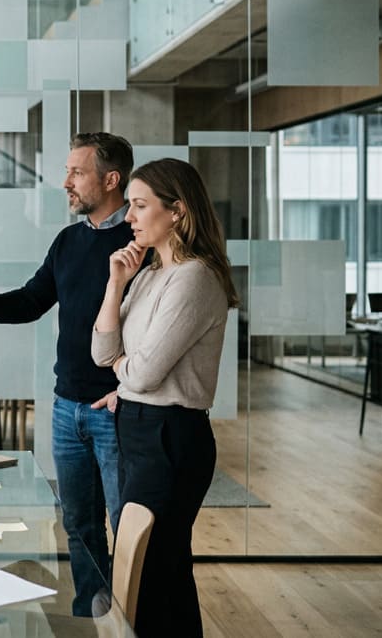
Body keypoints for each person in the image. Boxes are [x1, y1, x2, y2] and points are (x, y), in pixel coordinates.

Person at [0, 132, 136, 617]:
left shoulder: (139, 242)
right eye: (67, 171)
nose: (65, 182)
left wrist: (130, 390)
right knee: (79, 524)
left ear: (111, 179)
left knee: (126, 527)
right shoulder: (69, 240)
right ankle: (93, 614)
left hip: (118, 408)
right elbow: (31, 300)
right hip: (67, 408)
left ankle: (130, 622)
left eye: (76, 172)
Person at [91, 158, 239, 637]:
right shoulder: (150, 273)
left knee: (149, 573)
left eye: (139, 205)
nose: (129, 217)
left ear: (177, 211)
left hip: (170, 438)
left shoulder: (194, 278)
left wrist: (125, 375)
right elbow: (101, 351)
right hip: (139, 428)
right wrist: (116, 284)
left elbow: (145, 371)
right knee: (161, 570)